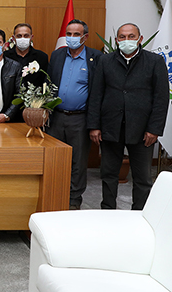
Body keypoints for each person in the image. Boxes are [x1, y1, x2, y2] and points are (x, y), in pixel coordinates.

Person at [88, 23, 169, 210]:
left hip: (142, 130)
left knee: (142, 178)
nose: (127, 40)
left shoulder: (154, 61)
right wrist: (94, 125)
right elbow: (96, 95)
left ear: (140, 39)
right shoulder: (105, 61)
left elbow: (161, 99)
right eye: (122, 37)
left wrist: (154, 129)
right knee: (108, 174)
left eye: (131, 36)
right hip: (110, 127)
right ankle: (108, 211)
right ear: (117, 40)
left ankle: (139, 214)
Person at [46, 19, 103, 210]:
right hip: (56, 117)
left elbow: (98, 93)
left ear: (85, 37)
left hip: (80, 118)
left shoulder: (96, 57)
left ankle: (73, 201)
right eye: (68, 34)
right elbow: (49, 83)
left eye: (76, 34)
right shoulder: (57, 55)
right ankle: (54, 196)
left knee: (77, 162)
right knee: (54, 159)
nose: (71, 38)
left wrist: (95, 124)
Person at [4, 23, 49, 88]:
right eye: (19, 36)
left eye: (26, 36)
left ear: (31, 37)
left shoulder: (42, 57)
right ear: (14, 38)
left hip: (34, 93)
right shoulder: (5, 56)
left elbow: (45, 81)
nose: (22, 39)